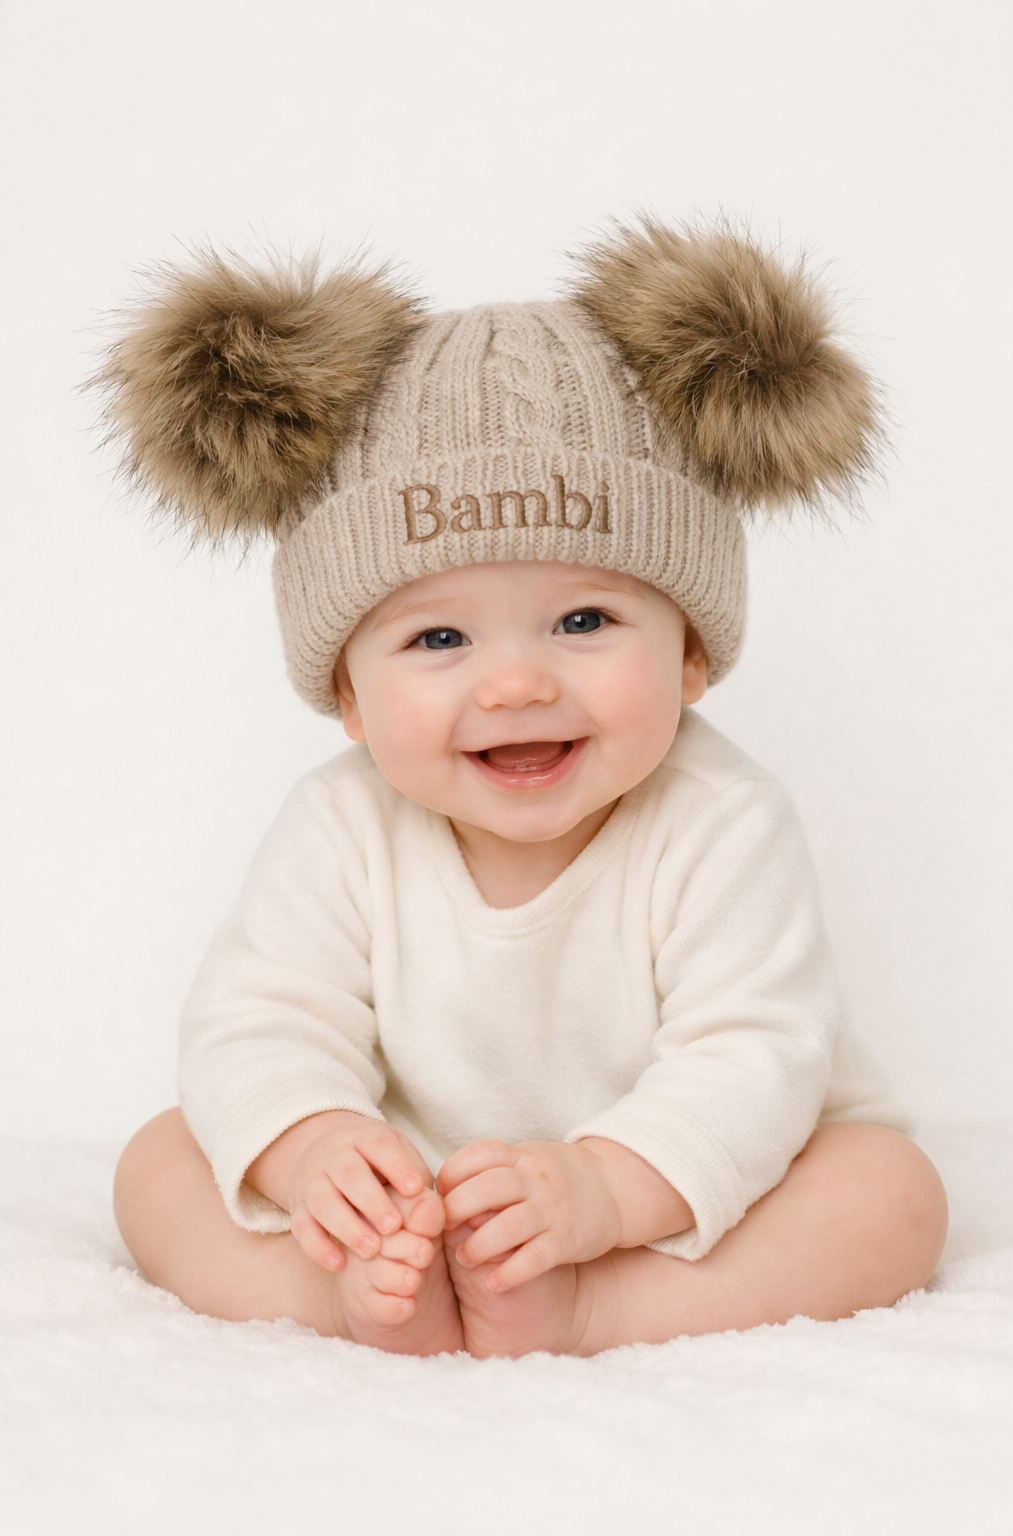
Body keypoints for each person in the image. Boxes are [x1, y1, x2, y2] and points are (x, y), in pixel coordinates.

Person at [104, 220, 947, 1358]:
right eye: (438, 637)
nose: (515, 684)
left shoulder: (722, 821)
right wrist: (316, 1152)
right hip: (412, 1189)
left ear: (692, 655)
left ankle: (595, 1307)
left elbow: (754, 1056)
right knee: (161, 1160)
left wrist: (602, 1190)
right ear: (347, 695)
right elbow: (261, 1018)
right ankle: (365, 1296)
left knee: (891, 1190)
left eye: (584, 620)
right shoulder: (339, 825)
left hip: (670, 1197)